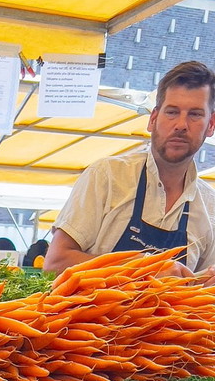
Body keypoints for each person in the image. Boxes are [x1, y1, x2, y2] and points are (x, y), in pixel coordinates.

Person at [45, 60, 215, 279]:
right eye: (172, 112)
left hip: (170, 315)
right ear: (153, 119)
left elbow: (200, 290)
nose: (181, 125)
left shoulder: (210, 207)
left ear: (211, 125)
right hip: (92, 314)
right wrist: (144, 269)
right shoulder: (108, 176)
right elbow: (56, 262)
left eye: (195, 114)